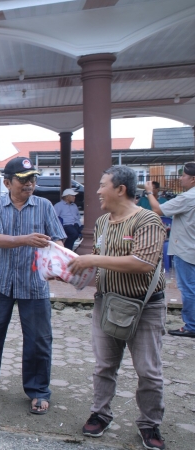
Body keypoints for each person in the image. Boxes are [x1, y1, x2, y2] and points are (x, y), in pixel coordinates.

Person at [68, 166, 167, 450]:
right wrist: (71, 271)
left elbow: (143, 263)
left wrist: (93, 261)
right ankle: (101, 413)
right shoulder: (102, 223)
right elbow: (99, 264)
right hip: (107, 302)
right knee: (104, 366)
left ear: (120, 189)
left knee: (148, 370)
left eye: (102, 185)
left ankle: (150, 424)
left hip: (145, 307)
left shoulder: (148, 220)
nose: (97, 191)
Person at [0, 158, 65, 417]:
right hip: (1, 282)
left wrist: (57, 259)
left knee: (38, 339)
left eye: (32, 178)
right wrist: (26, 240)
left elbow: (59, 239)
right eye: (23, 179)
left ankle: (38, 390)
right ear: (7, 182)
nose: (30, 183)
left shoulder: (44, 206)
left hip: (34, 284)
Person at [147, 161, 195, 339]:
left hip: (186, 249)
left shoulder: (188, 197)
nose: (181, 178)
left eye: (184, 176)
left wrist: (149, 192)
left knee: (188, 288)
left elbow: (158, 209)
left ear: (193, 179)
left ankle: (191, 325)